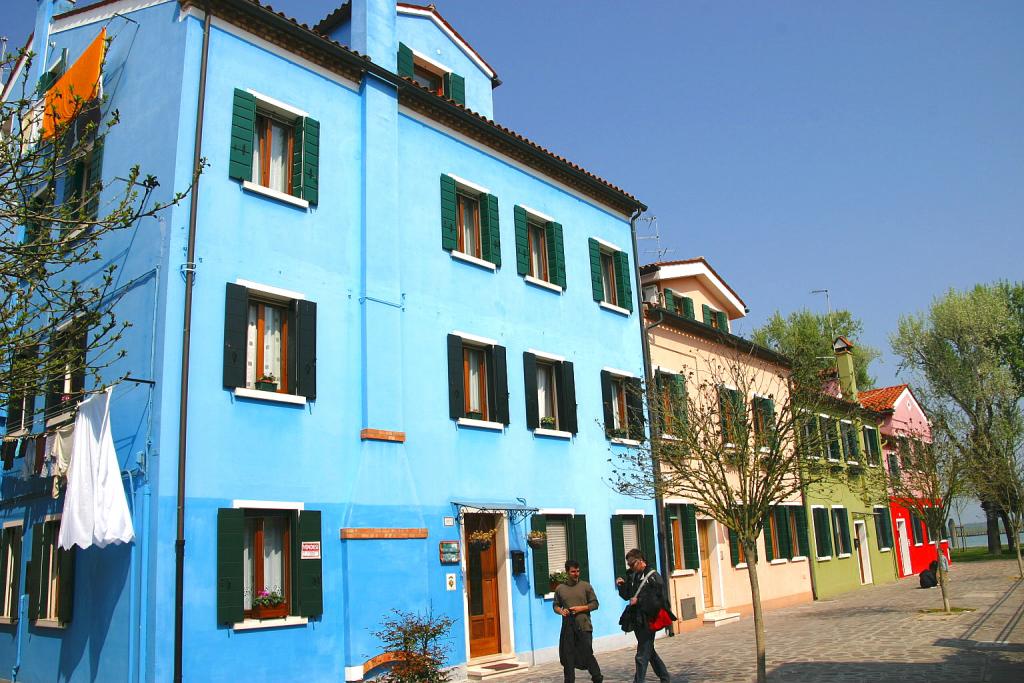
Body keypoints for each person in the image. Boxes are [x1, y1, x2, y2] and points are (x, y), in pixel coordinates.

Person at [616, 548, 671, 683]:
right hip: (637, 620)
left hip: (649, 620)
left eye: (632, 564)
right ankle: (665, 677)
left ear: (641, 561)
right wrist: (622, 585)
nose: (630, 567)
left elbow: (660, 599)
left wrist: (639, 600)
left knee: (641, 656)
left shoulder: (653, 576)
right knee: (649, 651)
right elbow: (627, 595)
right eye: (628, 565)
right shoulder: (633, 576)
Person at [553, 560, 603, 683]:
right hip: (568, 628)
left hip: (584, 627)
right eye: (573, 571)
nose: (576, 574)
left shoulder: (586, 586)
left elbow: (595, 604)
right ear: (567, 572)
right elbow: (555, 605)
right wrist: (561, 611)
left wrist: (581, 608)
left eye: (578, 571)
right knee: (568, 658)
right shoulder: (560, 589)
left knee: (587, 655)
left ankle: (597, 678)